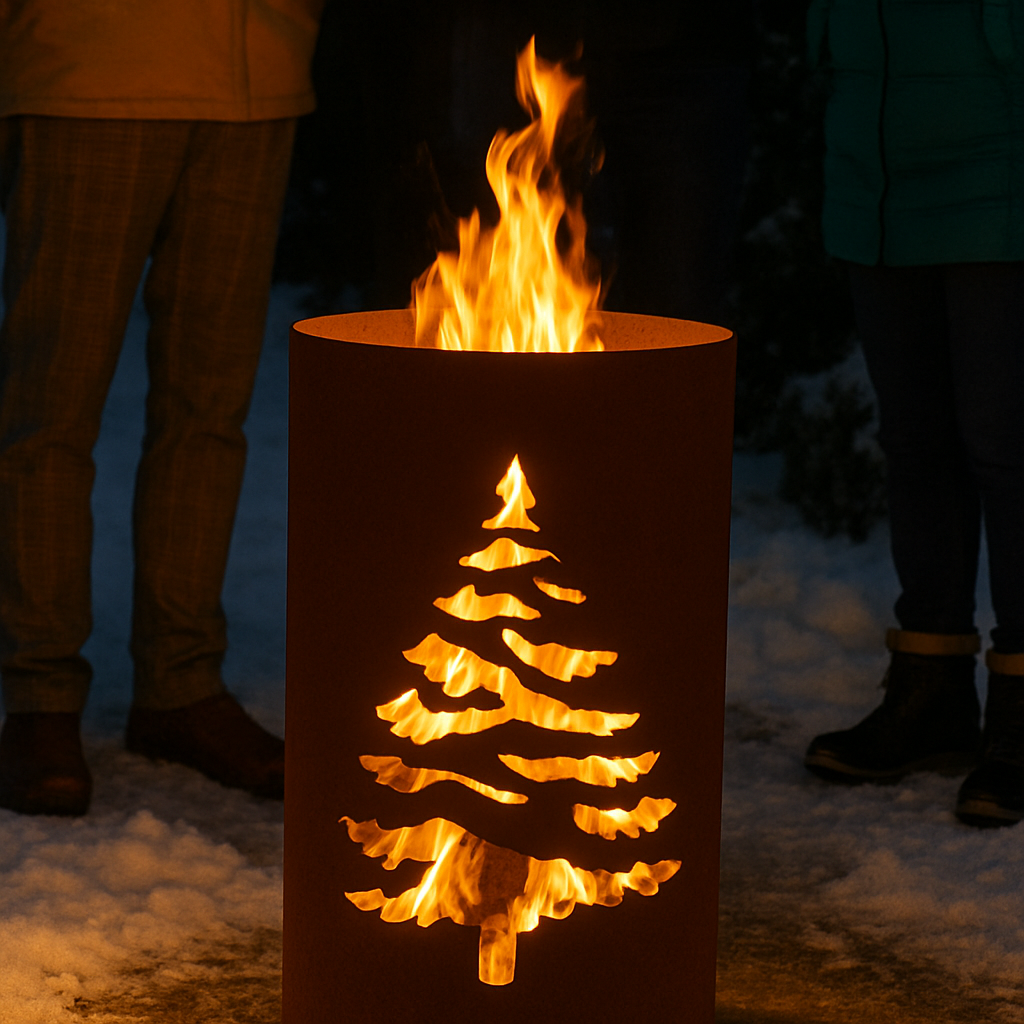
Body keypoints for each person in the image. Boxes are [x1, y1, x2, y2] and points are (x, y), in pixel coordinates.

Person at [0, 0, 322, 816]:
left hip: (258, 77)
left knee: (208, 411)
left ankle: (180, 686)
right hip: (87, 66)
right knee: (50, 412)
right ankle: (40, 700)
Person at [801, 0, 1024, 828]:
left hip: (999, 145)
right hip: (874, 152)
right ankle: (929, 685)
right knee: (917, 442)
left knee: (1007, 449)